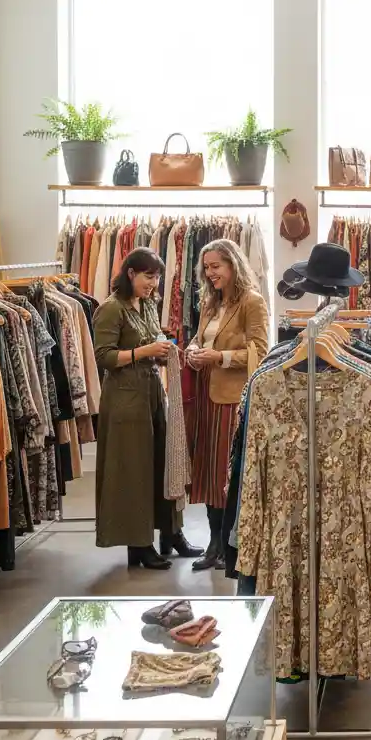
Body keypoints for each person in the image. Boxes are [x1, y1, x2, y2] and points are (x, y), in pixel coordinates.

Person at [93, 247, 189, 570]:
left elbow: (152, 340)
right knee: (134, 470)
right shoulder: (111, 309)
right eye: (149, 276)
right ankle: (139, 544)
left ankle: (171, 534)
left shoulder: (147, 304)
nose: (154, 283)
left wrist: (163, 353)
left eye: (157, 277)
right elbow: (104, 357)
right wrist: (146, 350)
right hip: (125, 400)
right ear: (131, 273)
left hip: (151, 393)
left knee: (162, 463)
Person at [184, 238, 269, 571]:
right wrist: (193, 351)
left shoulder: (252, 302)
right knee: (207, 470)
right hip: (205, 394)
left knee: (225, 471)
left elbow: (260, 352)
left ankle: (228, 545)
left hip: (232, 398)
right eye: (206, 267)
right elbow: (199, 339)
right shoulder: (210, 302)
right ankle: (214, 544)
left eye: (215, 266)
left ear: (233, 264)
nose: (210, 273)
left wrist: (220, 357)